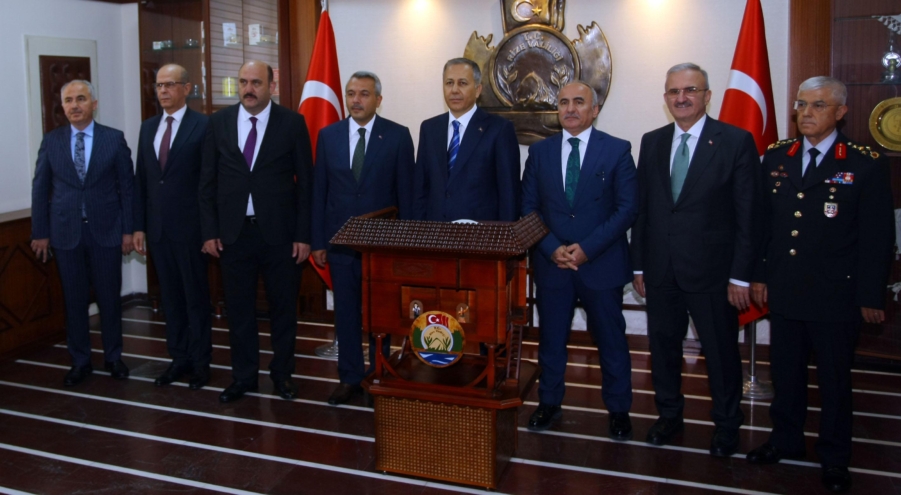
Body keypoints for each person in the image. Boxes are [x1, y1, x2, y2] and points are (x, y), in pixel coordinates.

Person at [746, 76, 894, 493]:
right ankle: (785, 439)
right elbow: (764, 226)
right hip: (785, 289)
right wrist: (759, 273)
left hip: (836, 294)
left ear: (841, 112)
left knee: (834, 380)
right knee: (786, 374)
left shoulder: (863, 162)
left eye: (818, 105)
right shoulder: (778, 156)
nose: (806, 113)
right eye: (801, 105)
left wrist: (870, 295)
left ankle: (834, 456)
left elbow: (878, 237)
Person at [630, 63, 759, 457]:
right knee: (664, 349)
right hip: (661, 271)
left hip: (713, 273)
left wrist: (740, 276)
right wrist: (639, 266)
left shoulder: (736, 141)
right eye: (673, 92)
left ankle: (726, 425)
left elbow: (748, 215)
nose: (681, 98)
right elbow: (644, 211)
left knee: (720, 354)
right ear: (666, 98)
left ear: (707, 95)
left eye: (690, 90)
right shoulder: (652, 141)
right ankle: (669, 416)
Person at [521, 82, 637, 439]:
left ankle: (618, 409)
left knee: (611, 340)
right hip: (553, 265)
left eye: (579, 102)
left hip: (599, 265)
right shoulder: (539, 153)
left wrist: (587, 248)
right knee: (551, 340)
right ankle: (549, 402)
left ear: (595, 109)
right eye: (563, 102)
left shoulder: (617, 150)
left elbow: (626, 209)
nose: (570, 109)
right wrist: (551, 246)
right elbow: (527, 208)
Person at [199, 60, 313, 403]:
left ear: (271, 86)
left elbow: (307, 184)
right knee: (239, 312)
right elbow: (206, 182)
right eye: (243, 82)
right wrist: (209, 231)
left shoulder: (292, 123)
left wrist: (304, 235)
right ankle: (244, 377)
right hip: (233, 235)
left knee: (282, 310)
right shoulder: (218, 122)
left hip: (280, 236)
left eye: (256, 83)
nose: (248, 89)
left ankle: (282, 376)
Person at [311, 71, 415, 405]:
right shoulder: (328, 136)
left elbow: (407, 197)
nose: (356, 100)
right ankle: (350, 378)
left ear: (378, 100)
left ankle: (379, 376)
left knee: (380, 317)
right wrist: (317, 242)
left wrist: (407, 245)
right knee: (346, 313)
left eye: (364, 94)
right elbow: (319, 193)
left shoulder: (398, 137)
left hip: (382, 247)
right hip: (340, 244)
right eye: (351, 93)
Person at [31, 79, 135, 386]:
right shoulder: (51, 141)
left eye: (81, 99)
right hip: (65, 235)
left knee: (109, 299)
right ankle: (80, 360)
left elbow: (127, 189)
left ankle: (114, 356)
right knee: (74, 300)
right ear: (62, 106)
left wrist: (128, 230)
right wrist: (40, 232)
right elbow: (40, 190)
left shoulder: (113, 140)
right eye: (69, 100)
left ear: (94, 103)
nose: (75, 105)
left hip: (106, 233)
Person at [133, 64, 213, 390]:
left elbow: (209, 183)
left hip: (192, 230)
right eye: (159, 85)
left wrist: (210, 231)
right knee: (170, 300)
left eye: (170, 84)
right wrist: (139, 226)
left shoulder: (203, 126)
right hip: (159, 230)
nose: (163, 91)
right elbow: (143, 181)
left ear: (187, 88)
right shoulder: (147, 127)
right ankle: (178, 358)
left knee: (195, 299)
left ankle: (200, 363)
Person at [413, 57, 520, 222]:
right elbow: (420, 189)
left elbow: (509, 194)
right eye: (449, 83)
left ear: (478, 90)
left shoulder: (499, 129)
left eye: (462, 83)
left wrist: (503, 241)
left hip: (480, 236)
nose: (454, 90)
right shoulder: (429, 128)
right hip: (435, 234)